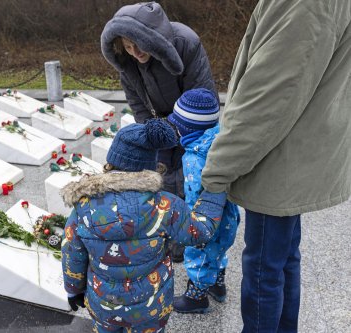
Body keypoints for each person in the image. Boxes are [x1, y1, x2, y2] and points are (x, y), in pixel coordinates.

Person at [196, 1, 351, 331]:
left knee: (265, 267)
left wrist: (216, 176)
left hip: (278, 157)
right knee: (282, 260)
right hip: (291, 151)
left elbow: (269, 99)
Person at [60, 119, 227, 333]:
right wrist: (215, 191)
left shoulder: (84, 205)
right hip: (151, 308)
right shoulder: (166, 205)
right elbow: (200, 232)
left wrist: (73, 289)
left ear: (112, 160)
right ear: (150, 165)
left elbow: (71, 251)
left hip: (104, 306)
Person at [100, 1, 217, 200]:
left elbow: (201, 96)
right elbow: (138, 105)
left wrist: (174, 129)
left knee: (191, 179)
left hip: (190, 122)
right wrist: (154, 132)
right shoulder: (128, 63)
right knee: (163, 182)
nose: (135, 53)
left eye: (138, 45)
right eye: (128, 47)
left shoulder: (184, 43)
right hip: (158, 124)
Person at [167, 88, 240, 314]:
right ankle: (218, 286)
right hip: (227, 215)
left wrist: (186, 223)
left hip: (203, 220)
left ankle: (196, 297)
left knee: (198, 255)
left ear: (186, 128)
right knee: (218, 250)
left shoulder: (194, 156)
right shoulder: (219, 144)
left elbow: (193, 194)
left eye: (177, 124)